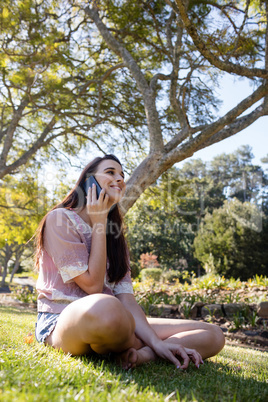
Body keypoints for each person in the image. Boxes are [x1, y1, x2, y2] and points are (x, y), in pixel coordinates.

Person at [35, 154, 225, 370]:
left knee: (213, 334)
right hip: (63, 320)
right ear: (89, 180)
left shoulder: (115, 237)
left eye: (122, 175)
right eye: (110, 172)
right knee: (107, 307)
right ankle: (134, 343)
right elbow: (93, 287)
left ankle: (144, 354)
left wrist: (154, 342)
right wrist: (99, 223)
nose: (119, 179)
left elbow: (127, 300)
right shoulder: (59, 219)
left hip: (116, 319)